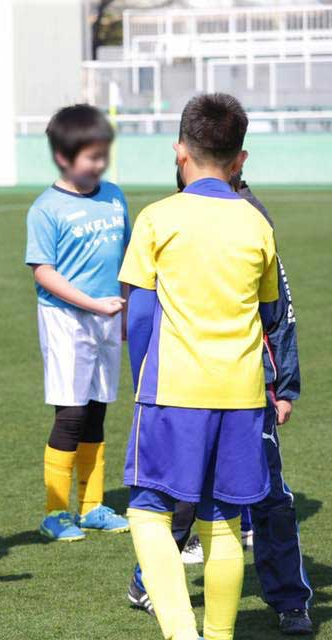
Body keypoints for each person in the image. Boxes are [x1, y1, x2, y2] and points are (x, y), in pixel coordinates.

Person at [121, 93, 279, 640]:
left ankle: (182, 634)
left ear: (179, 151)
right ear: (240, 160)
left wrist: (142, 375)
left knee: (147, 510)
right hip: (240, 390)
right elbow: (266, 310)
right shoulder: (257, 224)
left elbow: (140, 313)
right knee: (224, 520)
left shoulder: (158, 217)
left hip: (173, 387)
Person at [127, 174, 313, 636]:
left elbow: (278, 315)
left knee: (253, 501)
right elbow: (276, 312)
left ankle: (287, 601)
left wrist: (283, 385)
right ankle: (154, 588)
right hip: (231, 390)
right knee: (208, 508)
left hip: (215, 389)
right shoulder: (232, 220)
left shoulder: (246, 217)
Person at [25, 104, 131, 542]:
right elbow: (43, 270)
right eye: (92, 156)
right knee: (71, 412)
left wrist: (123, 307)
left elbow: (127, 257)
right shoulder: (46, 209)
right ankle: (55, 511)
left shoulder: (115, 196)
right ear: (64, 158)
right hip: (67, 318)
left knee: (98, 410)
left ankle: (92, 507)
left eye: (104, 155)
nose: (100, 164)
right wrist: (91, 303)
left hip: (108, 317)